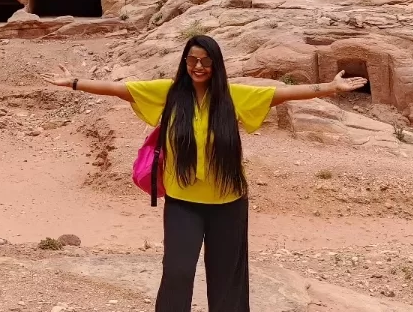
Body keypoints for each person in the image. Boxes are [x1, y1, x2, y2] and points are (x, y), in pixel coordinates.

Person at [45, 34, 368, 312]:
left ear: (217, 64)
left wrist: (331, 87)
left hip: (228, 201)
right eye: (192, 60)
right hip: (183, 200)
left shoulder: (233, 95)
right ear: (185, 61)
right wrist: (73, 83)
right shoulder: (169, 92)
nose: (198, 67)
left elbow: (281, 94)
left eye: (206, 61)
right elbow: (119, 89)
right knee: (178, 270)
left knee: (227, 275)